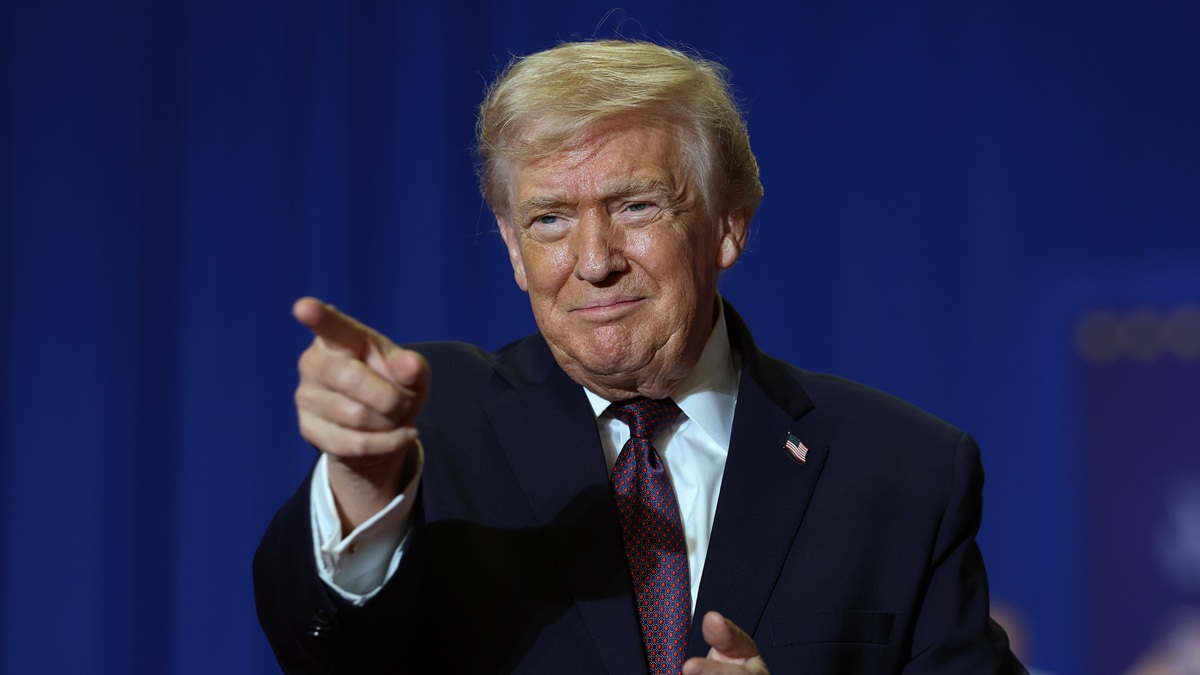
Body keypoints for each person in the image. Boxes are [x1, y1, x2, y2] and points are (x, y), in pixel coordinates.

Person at [254, 39, 1026, 674]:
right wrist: (359, 478)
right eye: (550, 218)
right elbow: (323, 652)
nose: (593, 261)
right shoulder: (435, 428)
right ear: (512, 248)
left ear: (729, 223)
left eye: (635, 206)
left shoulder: (903, 468)